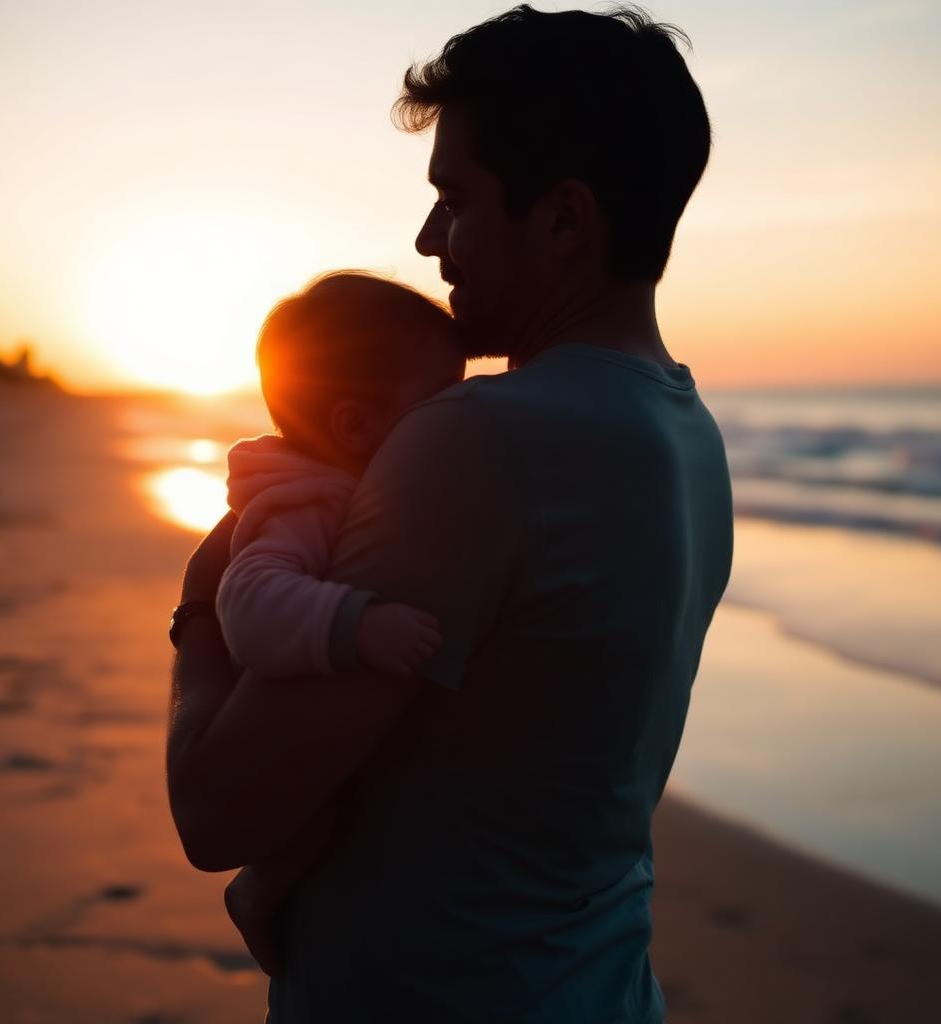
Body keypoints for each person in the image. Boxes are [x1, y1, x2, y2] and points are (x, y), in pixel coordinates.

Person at [167, 6, 733, 1022]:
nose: (429, 241)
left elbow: (219, 809)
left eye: (454, 200)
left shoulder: (481, 438)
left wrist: (202, 603)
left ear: (563, 219)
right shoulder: (690, 436)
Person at [212, 271, 464, 973]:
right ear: (355, 424)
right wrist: (357, 622)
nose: (462, 416)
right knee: (333, 817)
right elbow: (248, 606)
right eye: (443, 400)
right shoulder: (304, 502)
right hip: (279, 729)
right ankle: (262, 890)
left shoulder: (348, 480)